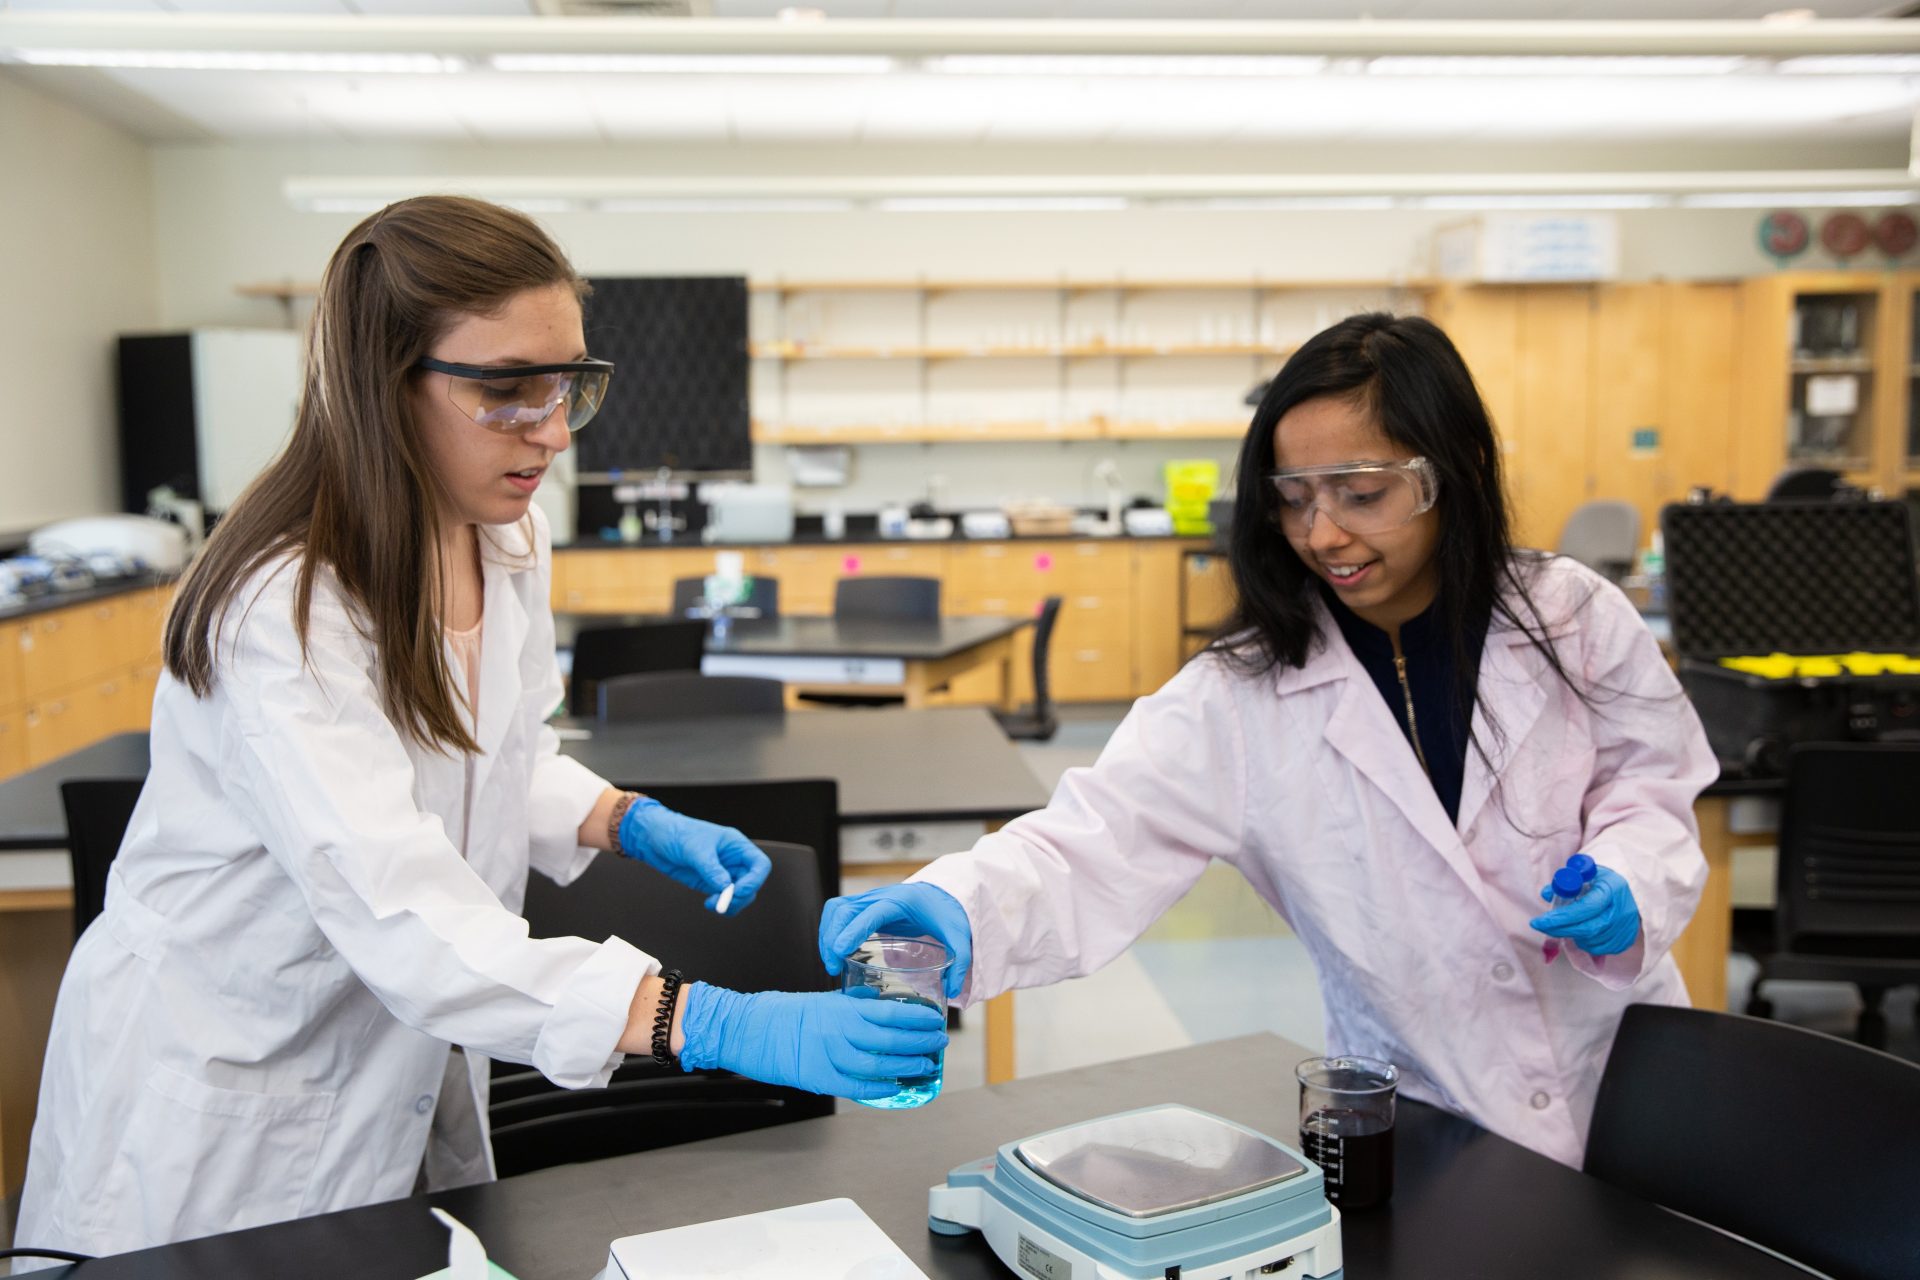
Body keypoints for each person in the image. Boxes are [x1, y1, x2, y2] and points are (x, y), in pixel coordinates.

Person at [15, 196, 943, 1264]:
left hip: (390, 1067)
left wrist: (620, 817)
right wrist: (711, 1021)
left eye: (569, 384)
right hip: (228, 1094)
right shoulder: (283, 605)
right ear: (381, 382)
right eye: (507, 389)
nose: (550, 428)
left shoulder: (505, 531)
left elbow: (494, 749)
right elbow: (404, 912)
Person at [819, 313, 1715, 1168]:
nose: (1324, 535)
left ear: (1454, 472)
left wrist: (1629, 882)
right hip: (1421, 1109)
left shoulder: (1571, 617)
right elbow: (1092, 842)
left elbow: (1653, 783)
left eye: (1362, 494)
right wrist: (958, 909)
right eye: (1295, 499)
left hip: (1628, 1076)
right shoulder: (1242, 694)